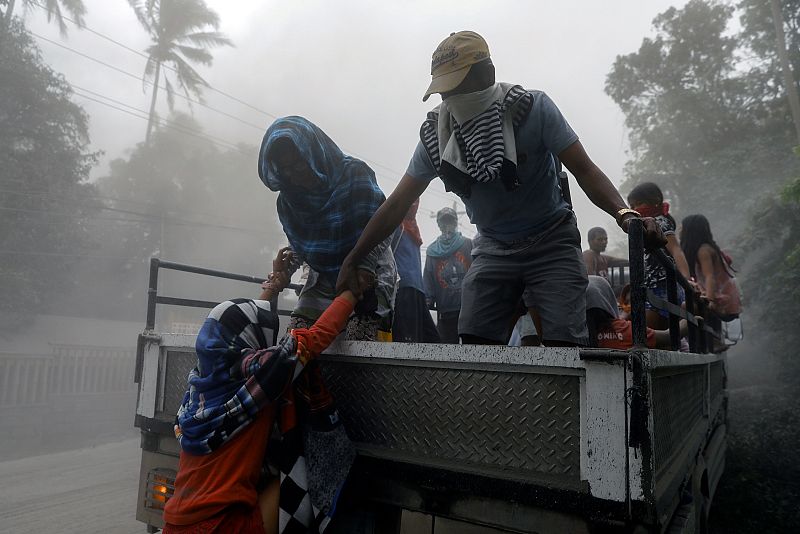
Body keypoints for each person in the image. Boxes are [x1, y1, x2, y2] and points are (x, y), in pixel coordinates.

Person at [337, 30, 664, 346]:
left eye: (457, 88)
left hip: (552, 242)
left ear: (487, 75)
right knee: (476, 341)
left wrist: (625, 214)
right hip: (493, 247)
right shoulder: (438, 137)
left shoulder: (532, 109)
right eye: (444, 93)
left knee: (565, 345)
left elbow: (585, 169)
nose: (451, 100)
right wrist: (354, 257)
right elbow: (396, 205)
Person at [163, 260, 372, 534]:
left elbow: (240, 327)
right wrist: (351, 294)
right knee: (296, 476)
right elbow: (308, 341)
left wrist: (273, 288)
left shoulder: (199, 384)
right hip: (223, 526)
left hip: (175, 520)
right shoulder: (257, 379)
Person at [258, 116, 396, 341]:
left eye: (299, 164)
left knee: (358, 343)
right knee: (296, 340)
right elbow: (304, 245)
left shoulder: (353, 174)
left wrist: (363, 267)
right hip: (322, 275)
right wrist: (283, 273)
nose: (295, 174)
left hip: (369, 268)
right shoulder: (290, 199)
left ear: (312, 153)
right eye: (286, 170)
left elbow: (383, 227)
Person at [627, 182, 691, 330]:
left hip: (662, 286)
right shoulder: (649, 224)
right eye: (632, 206)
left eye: (639, 203)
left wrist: (686, 280)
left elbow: (676, 250)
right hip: (653, 285)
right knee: (659, 333)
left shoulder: (659, 222)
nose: (636, 209)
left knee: (650, 331)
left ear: (655, 201)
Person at [585, 275, 688, 350]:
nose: (630, 305)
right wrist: (688, 321)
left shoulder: (575, 331)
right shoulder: (623, 328)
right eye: (627, 302)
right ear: (609, 300)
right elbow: (668, 337)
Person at [391, 199, 440, 342]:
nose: (413, 206)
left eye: (415, 202)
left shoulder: (413, 227)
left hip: (418, 289)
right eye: (410, 202)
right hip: (404, 286)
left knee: (431, 339)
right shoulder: (395, 225)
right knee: (408, 337)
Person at [422, 206, 472, 343]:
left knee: (471, 348)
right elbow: (428, 278)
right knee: (447, 350)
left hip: (467, 308)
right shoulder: (432, 251)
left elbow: (476, 272)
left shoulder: (468, 244)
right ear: (439, 225)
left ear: (455, 223)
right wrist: (428, 299)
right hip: (445, 310)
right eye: (444, 222)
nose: (447, 225)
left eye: (450, 221)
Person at [680, 214, 741, 321]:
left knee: (683, 306)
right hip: (719, 296)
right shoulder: (705, 248)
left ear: (690, 231)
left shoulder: (704, 251)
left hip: (721, 300)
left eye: (683, 228)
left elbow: (709, 276)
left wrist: (710, 300)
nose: (680, 231)